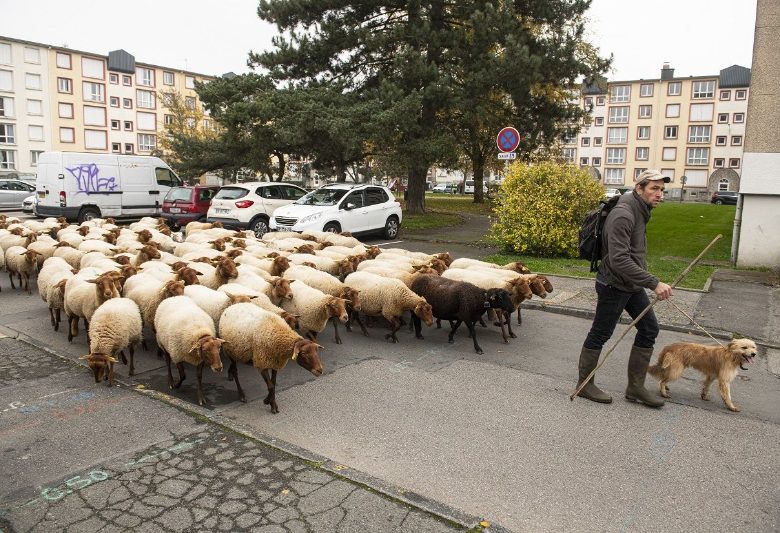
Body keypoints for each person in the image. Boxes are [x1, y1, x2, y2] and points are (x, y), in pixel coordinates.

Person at [575, 169, 673, 407]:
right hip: (613, 284)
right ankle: (584, 384)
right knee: (601, 333)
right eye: (654, 189)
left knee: (649, 329)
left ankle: (635, 387)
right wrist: (653, 282)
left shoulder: (641, 209)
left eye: (662, 190)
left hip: (630, 283)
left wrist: (643, 277)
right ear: (639, 188)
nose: (660, 194)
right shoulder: (624, 213)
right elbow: (618, 259)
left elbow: (634, 252)